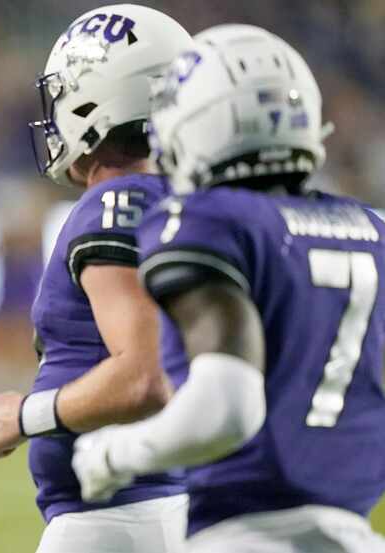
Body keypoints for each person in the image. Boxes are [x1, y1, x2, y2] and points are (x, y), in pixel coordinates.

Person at [72, 24, 385, 553]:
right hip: (356, 534)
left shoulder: (207, 220)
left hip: (244, 537)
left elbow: (228, 405)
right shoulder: (371, 229)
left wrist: (115, 453)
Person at [0, 5, 193, 552]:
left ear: (98, 97)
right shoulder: (184, 206)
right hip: (170, 504)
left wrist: (25, 416)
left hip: (118, 517)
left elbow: (144, 376)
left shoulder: (117, 203)